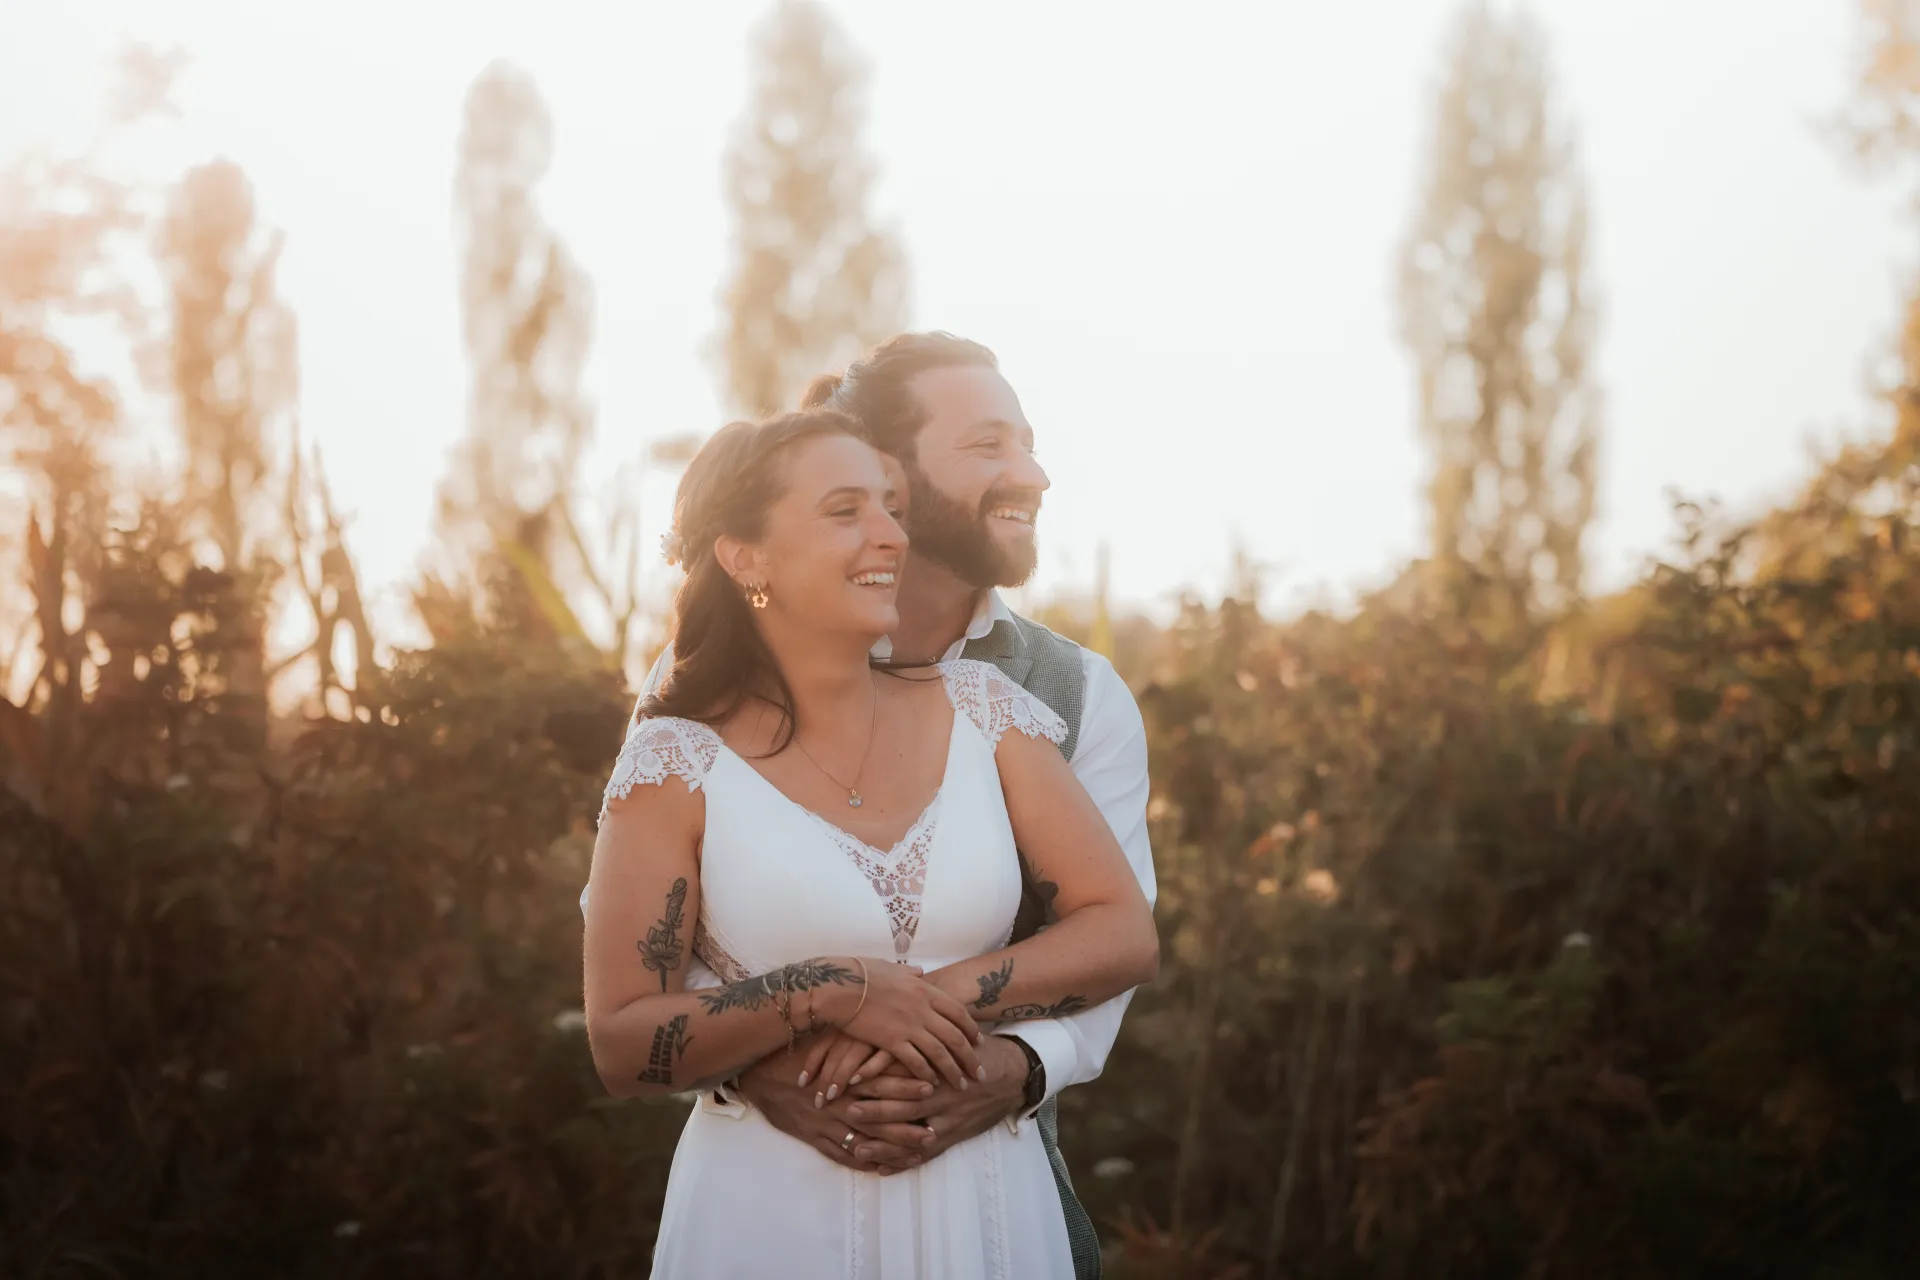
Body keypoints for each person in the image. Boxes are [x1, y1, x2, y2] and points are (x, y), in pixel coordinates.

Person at [622, 332, 1159, 1279]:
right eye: (987, 445)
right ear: (883, 466)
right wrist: (765, 1061)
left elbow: (1115, 936)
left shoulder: (1066, 697)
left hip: (986, 1174)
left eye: (1028, 444)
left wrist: (1015, 1066)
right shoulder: (700, 695)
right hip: (766, 1194)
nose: (1031, 474)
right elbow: (639, 959)